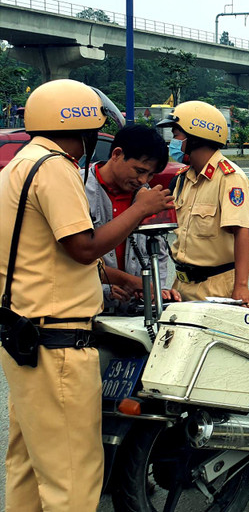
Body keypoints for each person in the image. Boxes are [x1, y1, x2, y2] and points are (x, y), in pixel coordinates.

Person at [0, 79, 173, 511]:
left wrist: (118, 277)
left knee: (29, 466)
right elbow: (82, 247)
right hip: (57, 343)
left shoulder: (19, 166)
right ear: (85, 131)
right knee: (74, 475)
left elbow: (44, 252)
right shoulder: (55, 168)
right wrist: (141, 209)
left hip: (23, 333)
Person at [156, 101, 249, 307]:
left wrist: (241, 286)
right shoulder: (183, 178)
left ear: (195, 137)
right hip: (181, 285)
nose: (173, 142)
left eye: (176, 135)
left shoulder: (229, 178)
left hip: (216, 288)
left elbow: (241, 232)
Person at [81, 123, 178, 313]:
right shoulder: (79, 188)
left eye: (150, 175)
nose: (143, 180)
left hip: (133, 315)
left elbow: (158, 254)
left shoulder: (148, 197)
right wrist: (104, 288)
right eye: (139, 171)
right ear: (116, 154)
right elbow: (73, 256)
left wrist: (157, 291)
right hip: (87, 310)